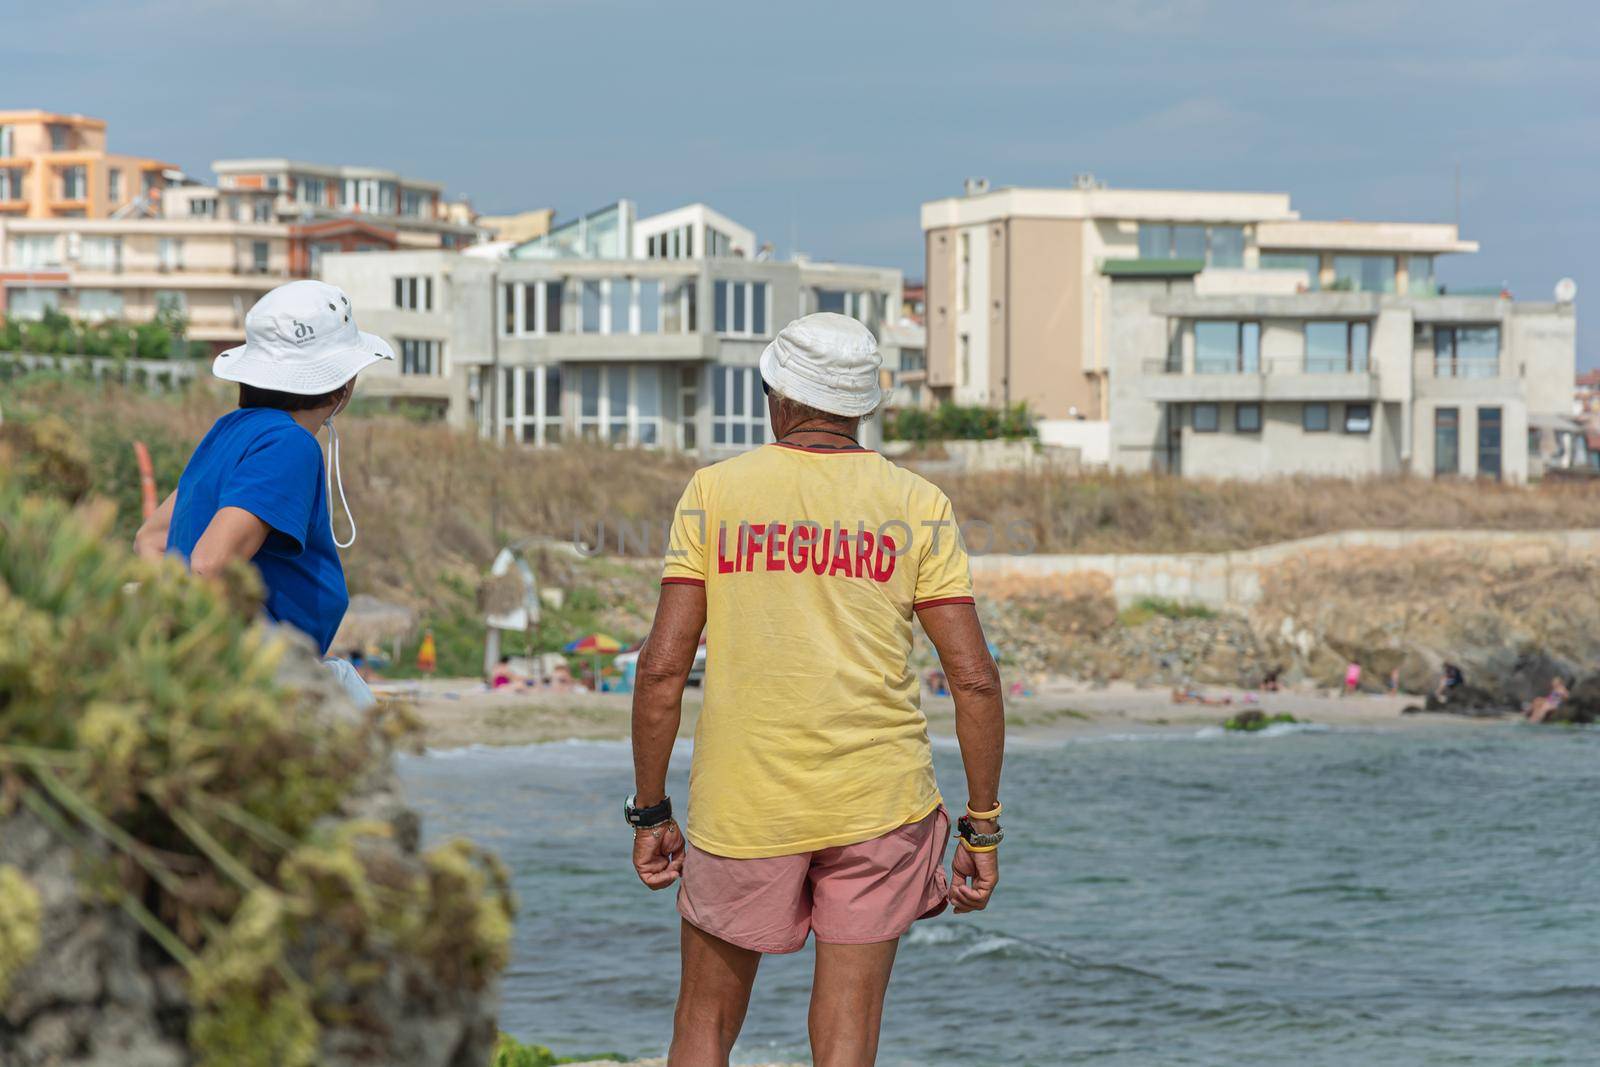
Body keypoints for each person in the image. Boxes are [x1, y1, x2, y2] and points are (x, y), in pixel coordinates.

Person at [628, 313, 1005, 1066]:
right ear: (861, 404)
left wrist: (650, 811)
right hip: (879, 801)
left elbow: (662, 668)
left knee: (703, 1026)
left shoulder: (715, 492)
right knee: (847, 1042)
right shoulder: (918, 503)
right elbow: (974, 679)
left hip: (744, 799)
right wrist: (982, 825)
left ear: (778, 395)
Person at [135, 281, 393, 709]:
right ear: (340, 385)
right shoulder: (290, 444)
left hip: (212, 669)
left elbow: (152, 539)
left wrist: (177, 635)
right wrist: (251, 664)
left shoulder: (228, 431)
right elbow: (208, 566)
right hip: (269, 684)